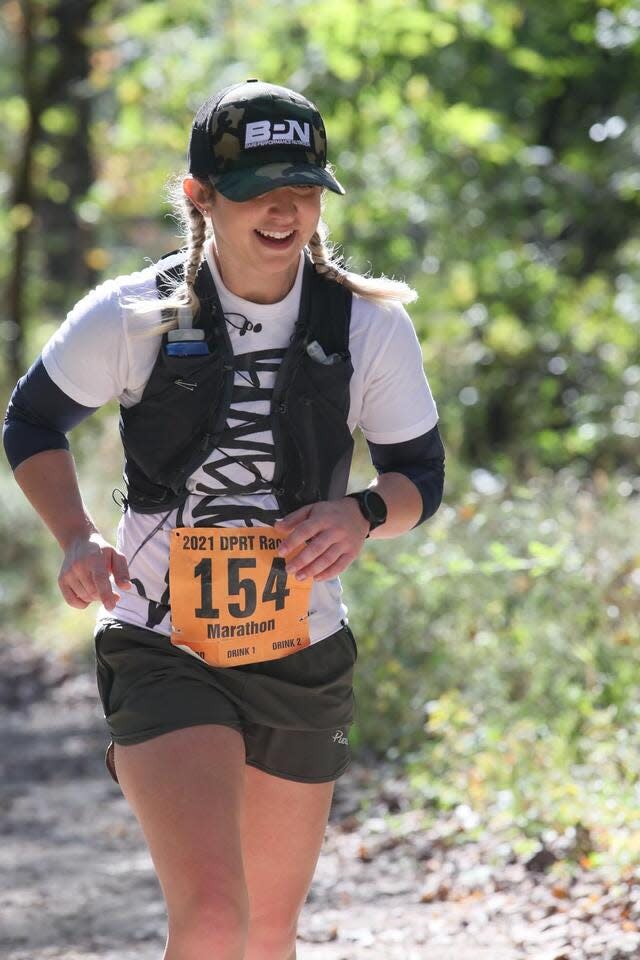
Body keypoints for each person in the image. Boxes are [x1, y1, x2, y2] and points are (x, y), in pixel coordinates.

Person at [4, 79, 444, 960]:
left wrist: (363, 515)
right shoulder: (133, 314)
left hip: (301, 654)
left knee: (266, 936)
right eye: (258, 190)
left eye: (306, 187)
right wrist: (77, 535)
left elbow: (419, 479)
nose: (285, 210)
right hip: (162, 643)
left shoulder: (370, 327)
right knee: (211, 919)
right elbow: (32, 421)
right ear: (199, 195)